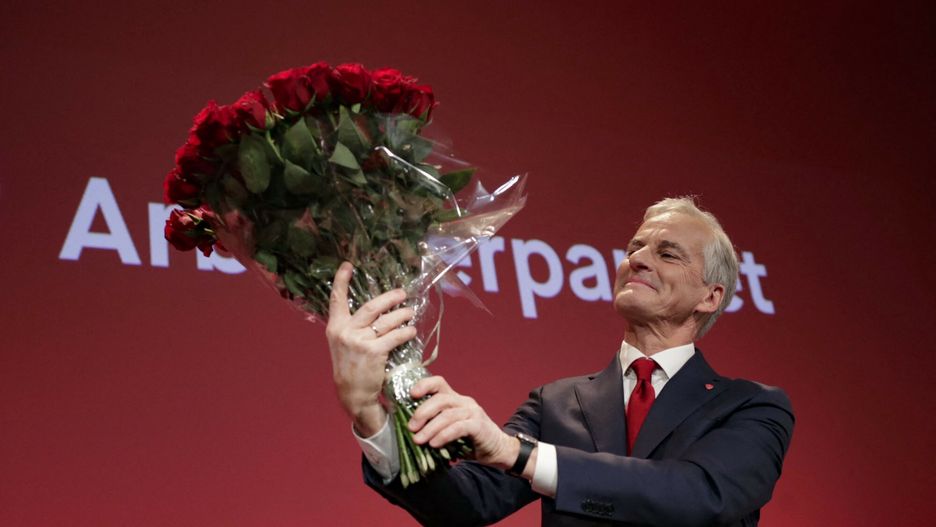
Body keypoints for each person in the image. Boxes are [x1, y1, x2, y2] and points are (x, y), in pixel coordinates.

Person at [325, 197, 794, 526]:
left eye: (667, 253)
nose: (638, 260)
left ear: (710, 297)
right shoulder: (558, 402)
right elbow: (466, 505)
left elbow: (699, 496)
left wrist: (518, 453)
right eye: (634, 248)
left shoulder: (751, 407)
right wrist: (370, 414)